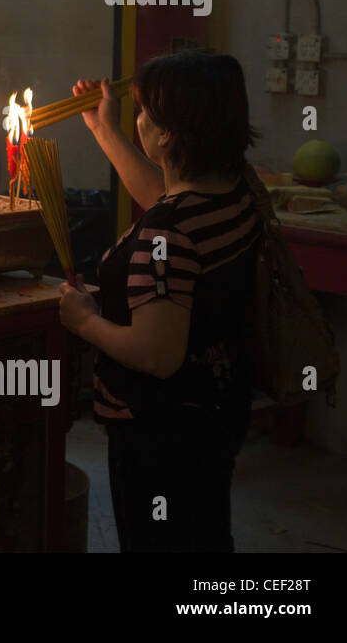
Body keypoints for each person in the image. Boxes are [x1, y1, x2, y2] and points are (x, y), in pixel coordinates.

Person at [60, 50, 262, 552]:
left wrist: (84, 321)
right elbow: (164, 196)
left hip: (160, 429)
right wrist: (103, 129)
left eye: (146, 112)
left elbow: (156, 354)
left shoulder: (167, 234)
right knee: (205, 532)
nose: (140, 120)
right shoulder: (235, 193)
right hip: (219, 409)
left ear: (170, 134)